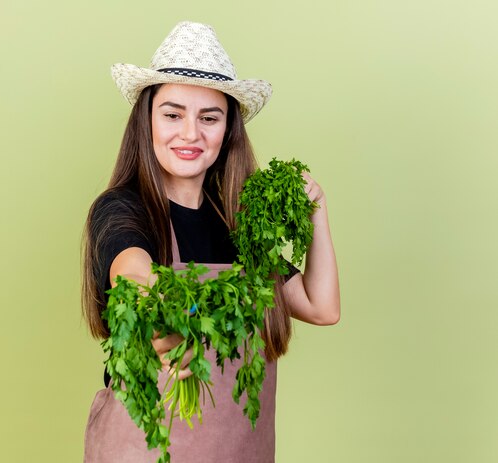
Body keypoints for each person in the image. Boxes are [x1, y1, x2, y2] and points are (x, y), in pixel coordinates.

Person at [81, 21, 340, 462]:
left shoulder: (236, 223)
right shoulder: (122, 208)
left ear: (227, 131)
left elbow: (323, 307)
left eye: (209, 117)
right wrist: (160, 321)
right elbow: (132, 270)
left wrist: (318, 213)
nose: (190, 134)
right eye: (172, 114)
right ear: (147, 122)